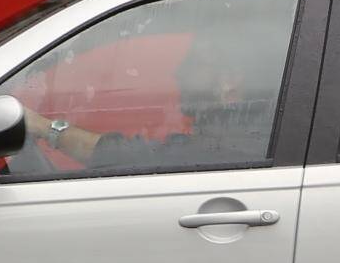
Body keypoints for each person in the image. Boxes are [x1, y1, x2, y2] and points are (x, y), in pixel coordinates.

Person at [20, 21, 277, 171]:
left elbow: (134, 157)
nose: (178, 73)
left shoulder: (235, 141)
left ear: (230, 78)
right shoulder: (243, 131)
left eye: (194, 63)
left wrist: (44, 128)